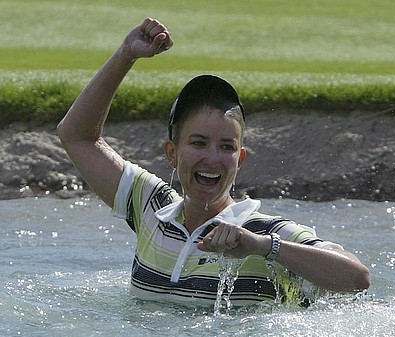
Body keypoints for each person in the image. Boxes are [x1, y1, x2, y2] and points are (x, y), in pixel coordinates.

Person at [57, 18, 370, 306]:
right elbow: (76, 136)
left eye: (226, 147)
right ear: (171, 152)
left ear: (240, 159)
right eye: (198, 143)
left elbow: (357, 279)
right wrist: (127, 54)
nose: (212, 158)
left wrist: (263, 247)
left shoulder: (261, 232)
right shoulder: (150, 207)